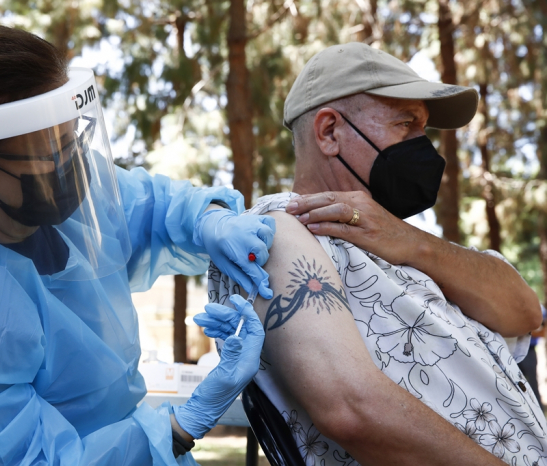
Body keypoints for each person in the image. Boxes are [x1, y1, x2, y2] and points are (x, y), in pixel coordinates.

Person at [0, 25, 276, 465]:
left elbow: (150, 207)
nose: (73, 166)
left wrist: (211, 220)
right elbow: (27, 459)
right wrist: (182, 425)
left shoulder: (48, 185)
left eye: (71, 141)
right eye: (48, 156)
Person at [205, 42, 546, 465]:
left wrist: (413, 242)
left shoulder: (404, 243)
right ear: (330, 132)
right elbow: (352, 408)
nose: (425, 148)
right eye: (406, 124)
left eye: (425, 130)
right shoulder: (277, 229)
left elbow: (526, 313)